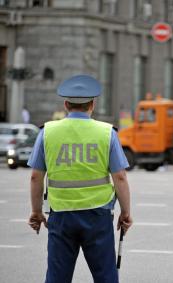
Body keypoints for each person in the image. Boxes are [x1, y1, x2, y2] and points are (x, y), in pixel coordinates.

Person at [27, 74, 133, 283]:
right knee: (105, 276)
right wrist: (126, 212)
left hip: (61, 215)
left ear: (66, 104)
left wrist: (37, 212)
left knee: (57, 277)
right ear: (92, 104)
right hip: (98, 214)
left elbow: (35, 177)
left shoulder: (47, 132)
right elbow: (120, 177)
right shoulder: (106, 133)